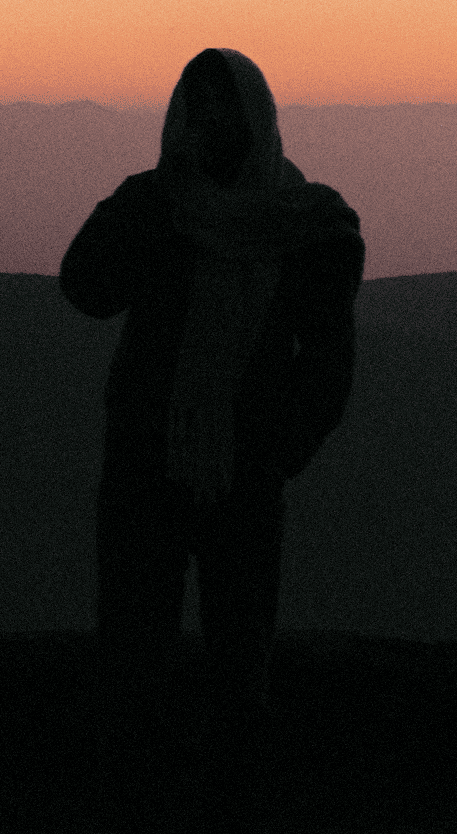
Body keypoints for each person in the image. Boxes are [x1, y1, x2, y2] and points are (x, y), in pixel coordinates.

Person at [59, 48, 365, 833]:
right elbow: (87, 288)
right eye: (195, 105)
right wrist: (151, 207)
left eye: (221, 105)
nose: (208, 121)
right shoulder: (153, 203)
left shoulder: (311, 224)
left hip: (245, 468)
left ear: (254, 116)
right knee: (134, 653)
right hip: (146, 460)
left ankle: (233, 800)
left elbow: (327, 358)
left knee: (241, 656)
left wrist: (277, 451)